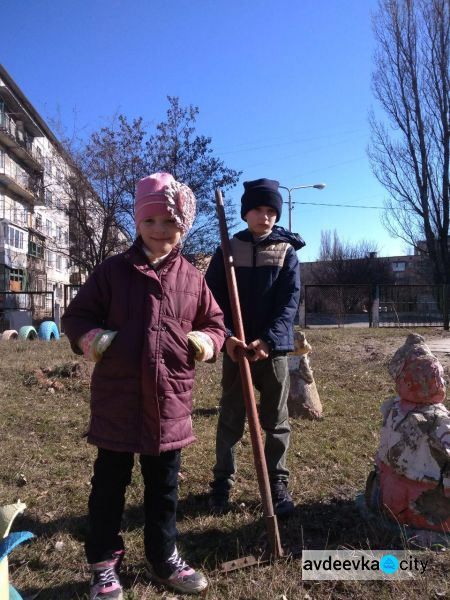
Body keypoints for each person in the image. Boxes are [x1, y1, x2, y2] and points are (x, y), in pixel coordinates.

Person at [62, 172, 226, 599]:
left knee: (164, 487)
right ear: (137, 222)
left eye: (169, 223)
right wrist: (91, 339)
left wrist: (206, 341)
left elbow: (216, 323)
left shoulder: (192, 278)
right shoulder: (113, 271)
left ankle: (163, 555)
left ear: (182, 228)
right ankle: (103, 563)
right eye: (150, 221)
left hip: (170, 401)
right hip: (119, 398)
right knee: (110, 485)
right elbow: (76, 316)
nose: (159, 231)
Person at [205, 178, 305, 517]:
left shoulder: (286, 252)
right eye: (257, 210)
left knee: (276, 420)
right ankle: (222, 482)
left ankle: (277, 483)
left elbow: (289, 303)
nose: (264, 217)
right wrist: (229, 337)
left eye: (270, 211)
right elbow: (213, 299)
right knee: (230, 417)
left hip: (272, 351)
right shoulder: (227, 248)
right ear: (245, 213)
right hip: (236, 350)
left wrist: (269, 340)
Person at [366, 333, 450, 531]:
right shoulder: (438, 419)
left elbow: (383, 451)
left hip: (393, 491)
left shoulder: (393, 410)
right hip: (426, 499)